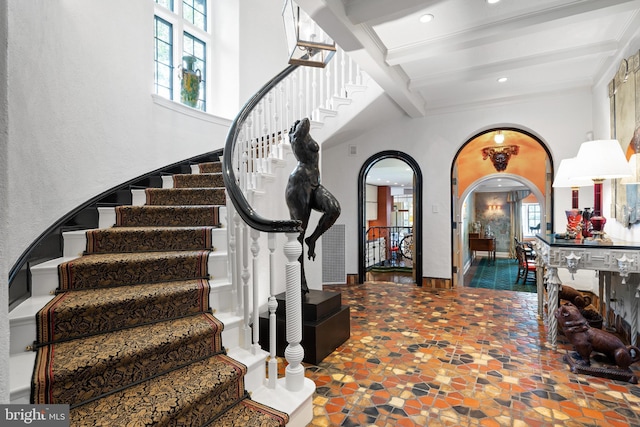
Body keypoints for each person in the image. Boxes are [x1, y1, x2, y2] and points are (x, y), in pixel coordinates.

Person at [285, 118, 341, 294]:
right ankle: (300, 283)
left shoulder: (303, 135)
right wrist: (296, 127)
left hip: (314, 183)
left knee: (334, 209)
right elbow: (305, 122)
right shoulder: (297, 135)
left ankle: (313, 239)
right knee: (298, 235)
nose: (297, 123)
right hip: (299, 183)